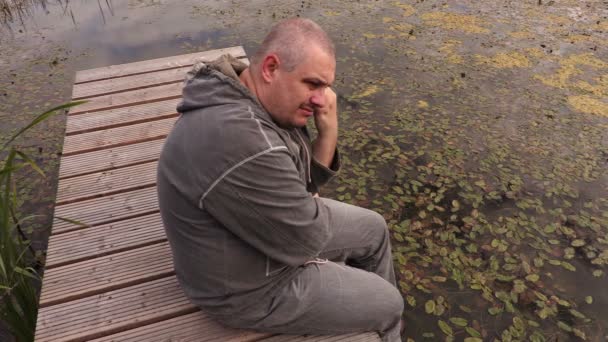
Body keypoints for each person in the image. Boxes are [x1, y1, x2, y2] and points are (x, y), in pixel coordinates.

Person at [156, 18, 404, 342]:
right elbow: (305, 242)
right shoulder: (246, 141)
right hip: (245, 289)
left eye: (325, 87)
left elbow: (301, 188)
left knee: (374, 228)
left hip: (255, 241)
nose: (322, 99)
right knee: (389, 303)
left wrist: (328, 130)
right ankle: (383, 327)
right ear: (271, 68)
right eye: (313, 84)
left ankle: (360, 304)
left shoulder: (245, 93)